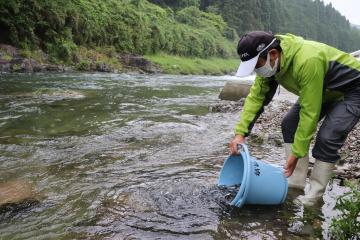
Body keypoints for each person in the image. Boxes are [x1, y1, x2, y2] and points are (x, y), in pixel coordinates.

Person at [229, 31, 360, 206]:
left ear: (273, 54)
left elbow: (309, 112)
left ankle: (314, 196)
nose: (256, 71)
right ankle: (295, 183)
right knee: (289, 124)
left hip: (352, 90)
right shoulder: (270, 68)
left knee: (328, 136)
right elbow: (256, 98)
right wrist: (240, 134)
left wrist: (297, 153)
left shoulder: (307, 60)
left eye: (257, 66)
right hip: (324, 90)